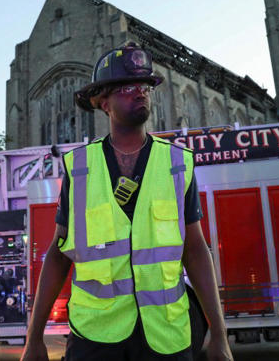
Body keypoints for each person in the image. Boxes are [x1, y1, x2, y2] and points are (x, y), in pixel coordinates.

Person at [21, 42, 233, 361]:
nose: (141, 92)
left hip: (166, 338)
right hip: (95, 338)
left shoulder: (177, 164)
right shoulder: (79, 168)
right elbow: (58, 254)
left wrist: (219, 334)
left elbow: (195, 249)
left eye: (145, 85)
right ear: (103, 102)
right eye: (127, 86)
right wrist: (33, 337)